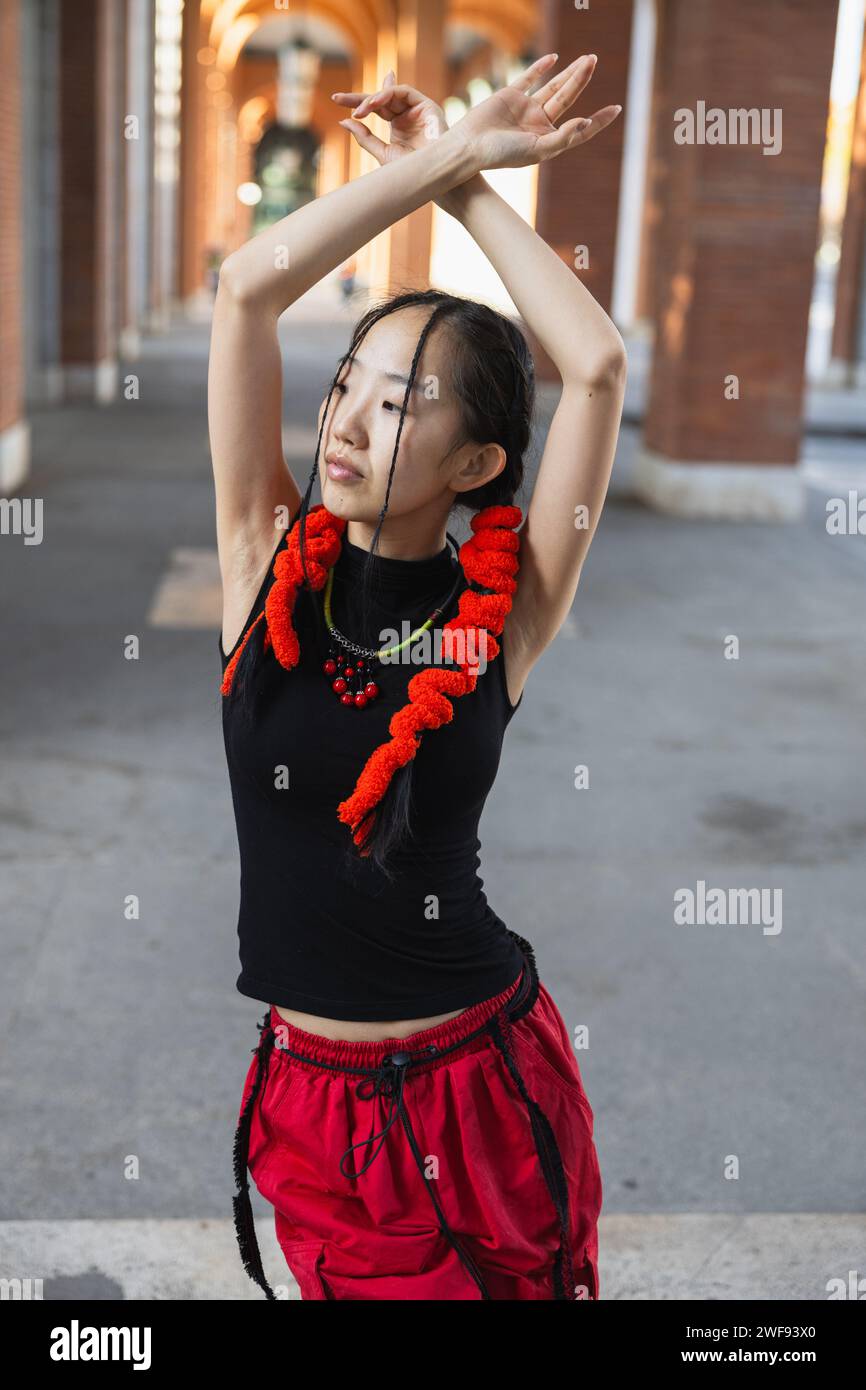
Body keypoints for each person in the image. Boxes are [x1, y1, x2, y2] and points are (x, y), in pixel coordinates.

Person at [209, 52, 626, 1301]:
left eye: (397, 405)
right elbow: (245, 292)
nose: (343, 422)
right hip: (313, 1110)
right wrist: (442, 157)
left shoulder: (506, 610)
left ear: (475, 462)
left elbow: (594, 367)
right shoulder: (260, 562)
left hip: (480, 1091)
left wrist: (471, 191)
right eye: (347, 384)